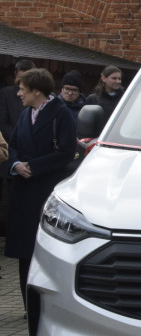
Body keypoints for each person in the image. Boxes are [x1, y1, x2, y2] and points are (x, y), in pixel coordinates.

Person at [5, 68, 76, 305]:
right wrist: (15, 164)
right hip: (23, 190)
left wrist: (33, 166)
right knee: (24, 251)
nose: (18, 94)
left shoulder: (61, 114)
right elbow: (13, 144)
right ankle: (28, 304)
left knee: (46, 248)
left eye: (23, 89)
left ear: (37, 91)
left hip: (45, 190)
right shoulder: (27, 114)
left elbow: (66, 152)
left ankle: (49, 304)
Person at [0, 59, 35, 145]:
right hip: (13, 143)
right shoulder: (5, 94)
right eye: (21, 79)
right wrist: (20, 138)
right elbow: (2, 123)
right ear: (15, 74)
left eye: (28, 79)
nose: (24, 83)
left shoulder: (43, 95)